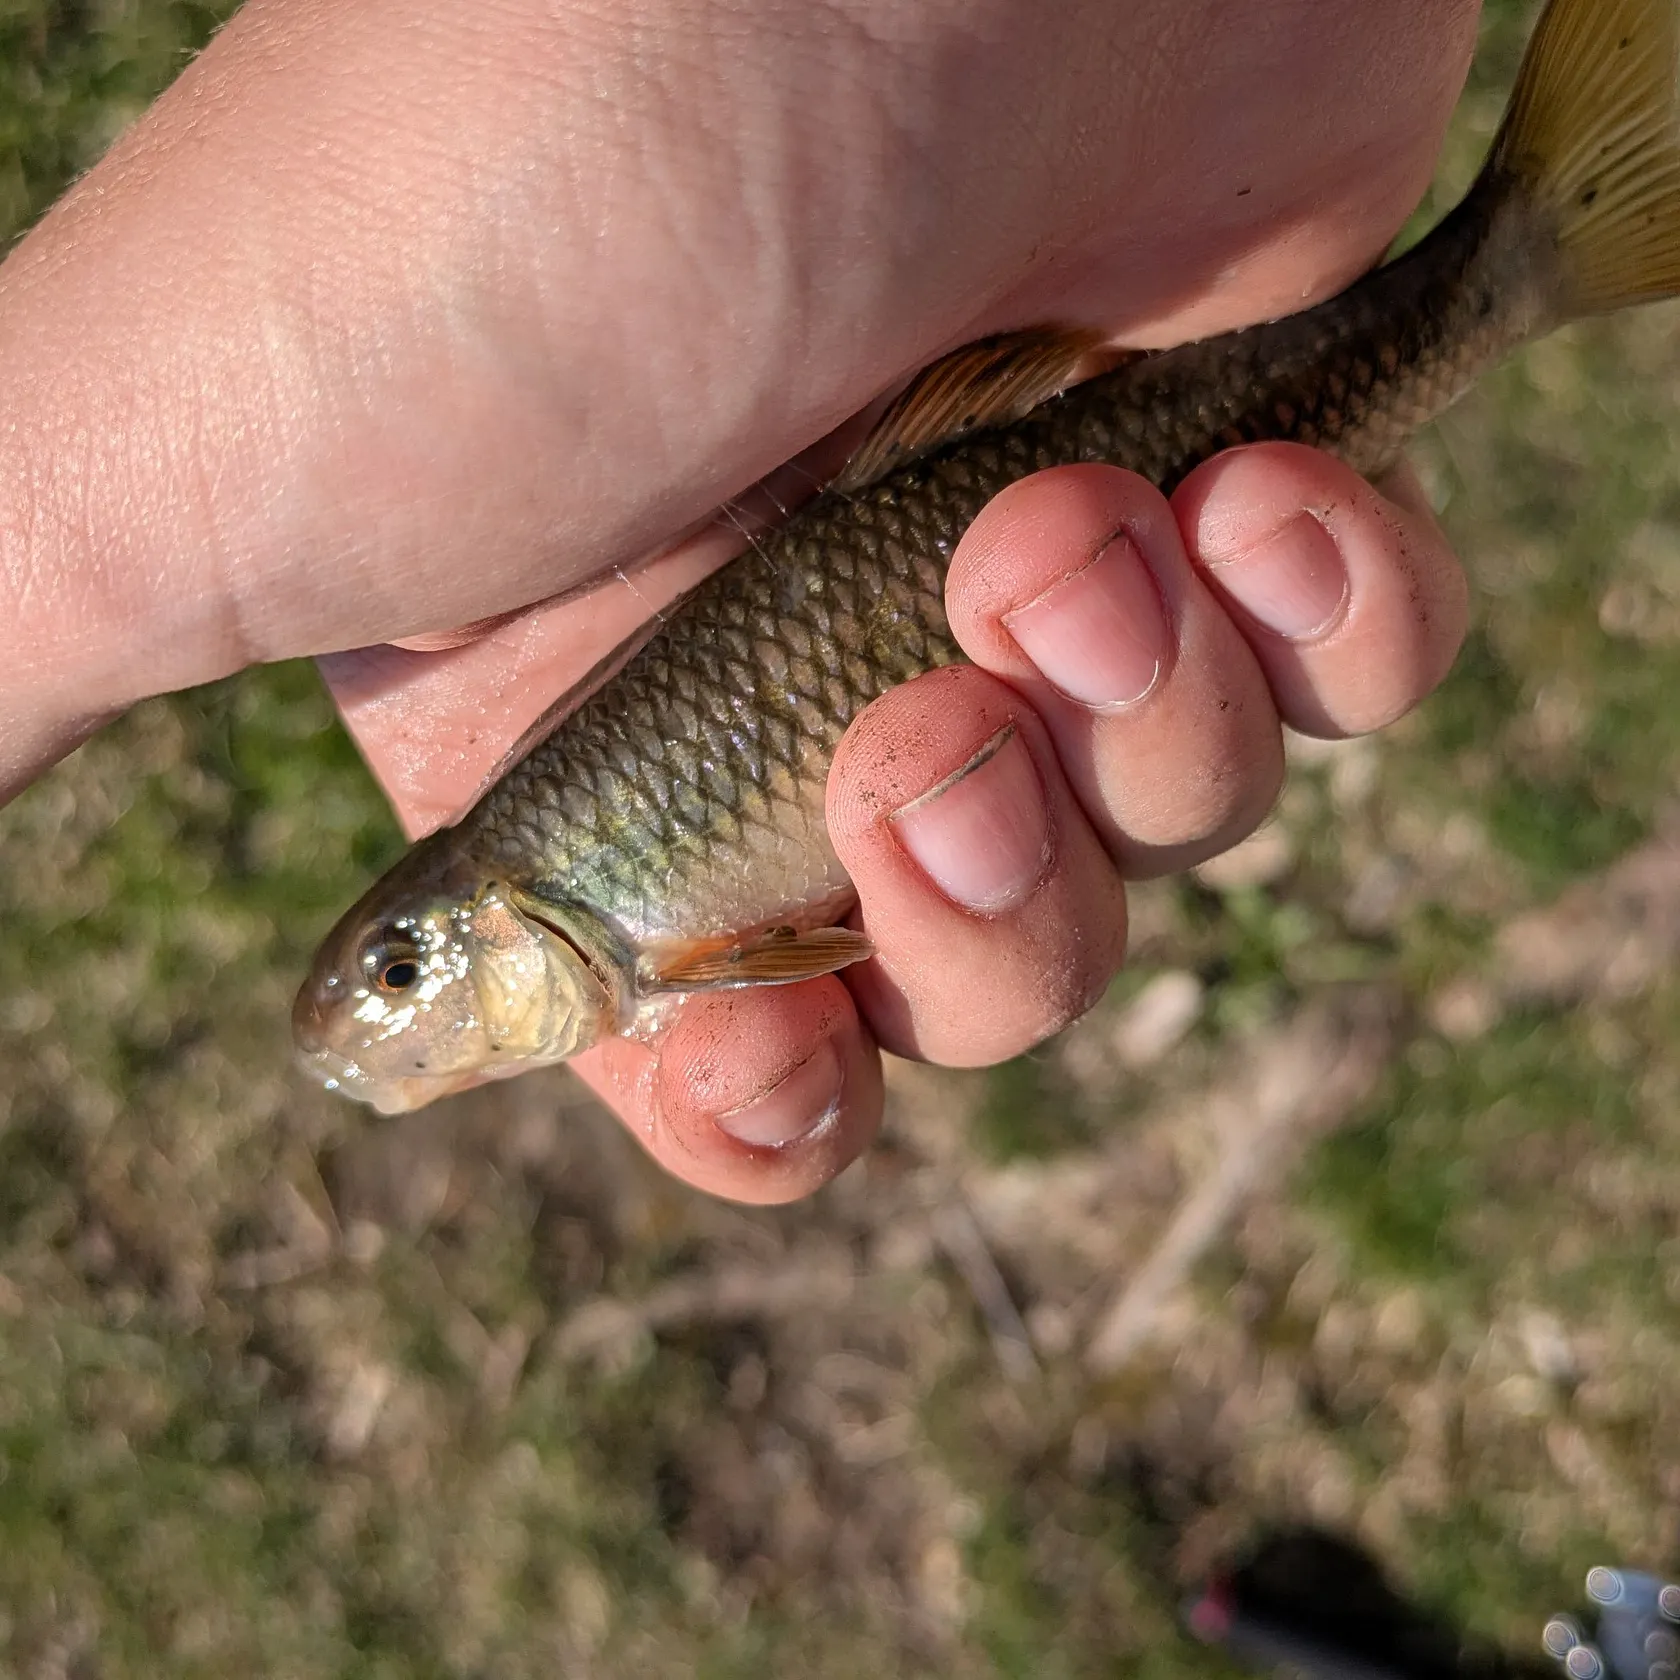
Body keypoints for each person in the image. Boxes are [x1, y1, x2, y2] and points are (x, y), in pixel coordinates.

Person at [0, 0, 1481, 1202]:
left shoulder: (617, 912)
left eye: (410, 969)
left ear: (491, 925)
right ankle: (1485, 286)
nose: (401, 1019)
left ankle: (1497, 276)